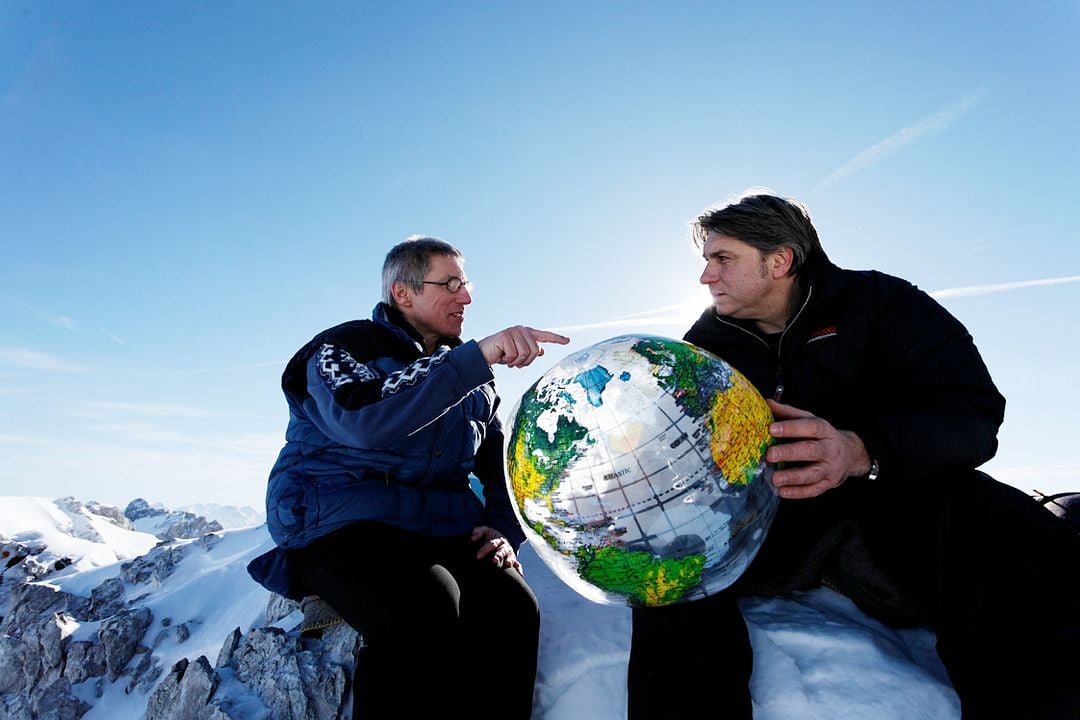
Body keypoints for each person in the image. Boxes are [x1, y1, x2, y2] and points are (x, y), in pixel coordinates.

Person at [628, 192, 1080, 719]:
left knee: (989, 512)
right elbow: (678, 449)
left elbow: (972, 413)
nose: (706, 276)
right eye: (706, 260)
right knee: (666, 558)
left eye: (722, 259)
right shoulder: (704, 347)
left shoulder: (882, 303)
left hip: (898, 513)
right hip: (771, 527)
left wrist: (862, 448)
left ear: (779, 261)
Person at [247, 236, 569, 719]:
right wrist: (475, 358)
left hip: (436, 525)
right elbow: (363, 418)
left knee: (511, 608)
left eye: (468, 285)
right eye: (452, 283)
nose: (467, 297)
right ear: (404, 293)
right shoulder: (343, 347)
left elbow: (497, 461)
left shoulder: (472, 376)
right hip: (338, 519)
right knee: (422, 611)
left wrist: (503, 527)